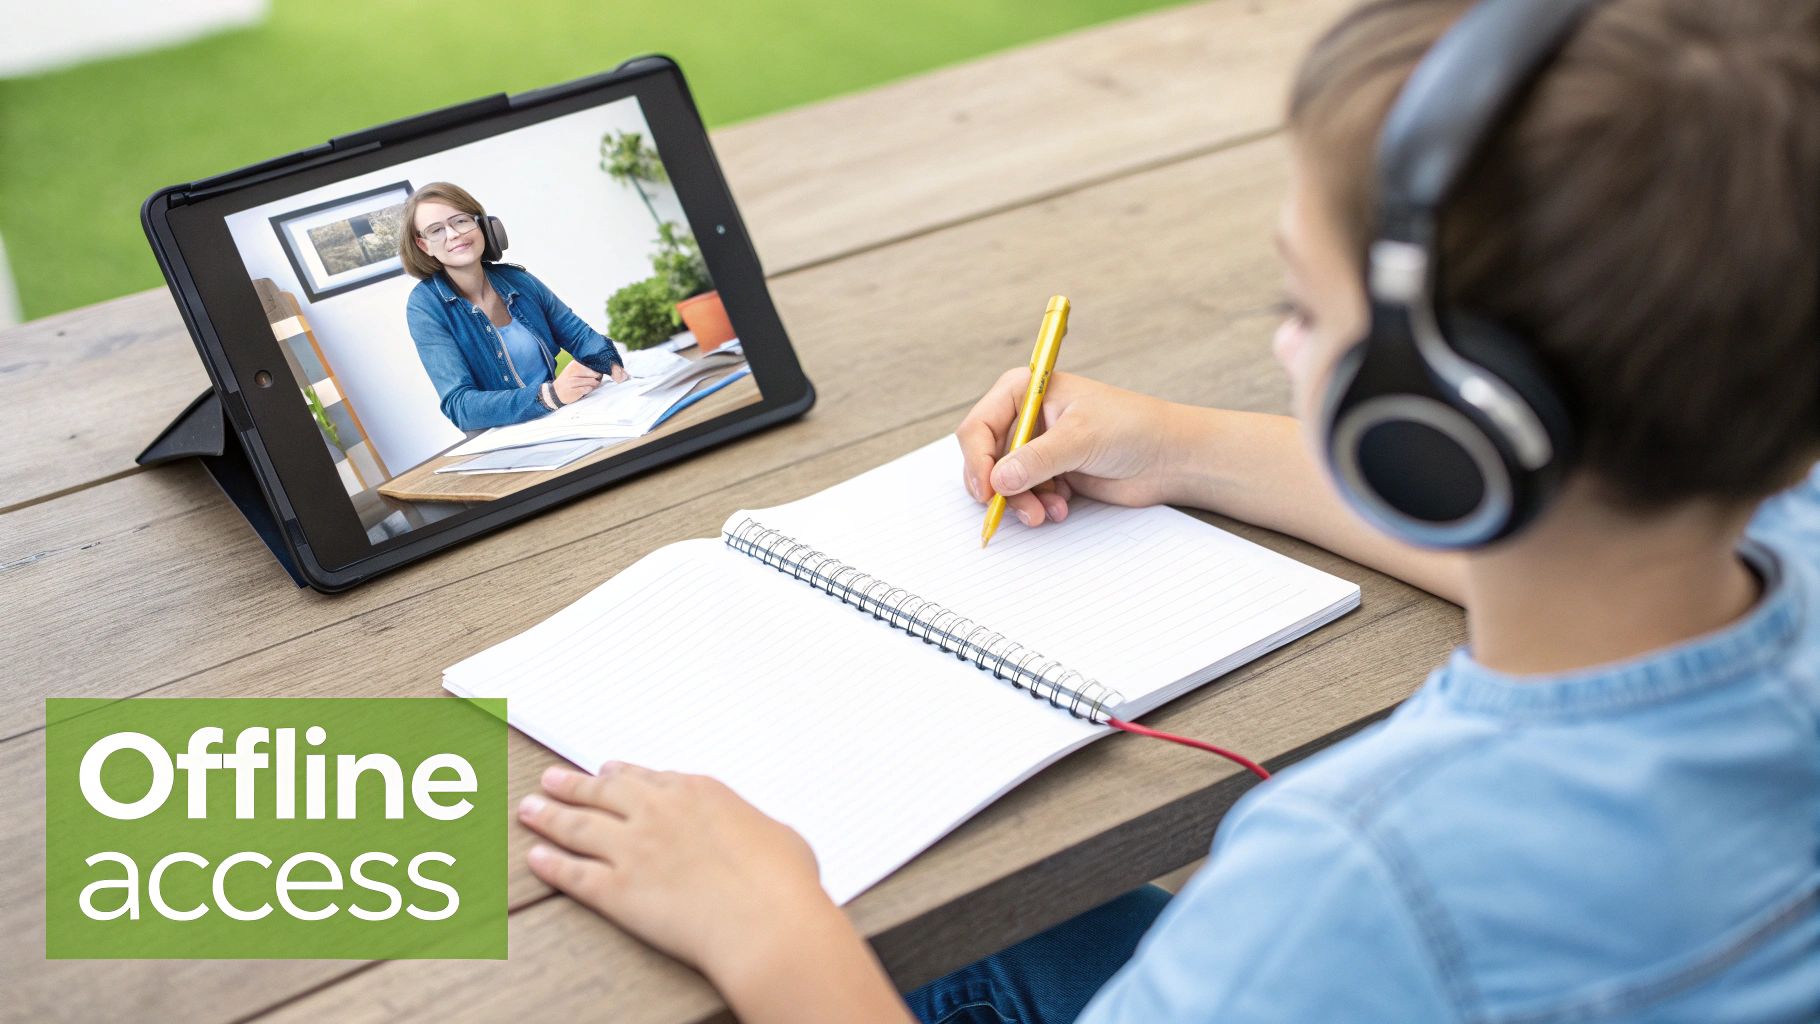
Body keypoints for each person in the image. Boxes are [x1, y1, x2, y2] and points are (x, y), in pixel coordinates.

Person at [510, 0, 1820, 1020]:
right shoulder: (1785, 558)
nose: (1287, 342)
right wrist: (1181, 446)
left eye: (1303, 310)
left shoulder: (1354, 873)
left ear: (1437, 427)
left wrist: (771, 927)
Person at [401, 181, 628, 431]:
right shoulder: (425, 306)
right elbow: (460, 406)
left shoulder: (517, 280)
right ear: (423, 245)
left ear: (481, 224)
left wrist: (610, 364)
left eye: (461, 221)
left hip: (562, 421)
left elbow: (581, 337)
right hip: (502, 438)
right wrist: (550, 396)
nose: (453, 234)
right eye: (436, 230)